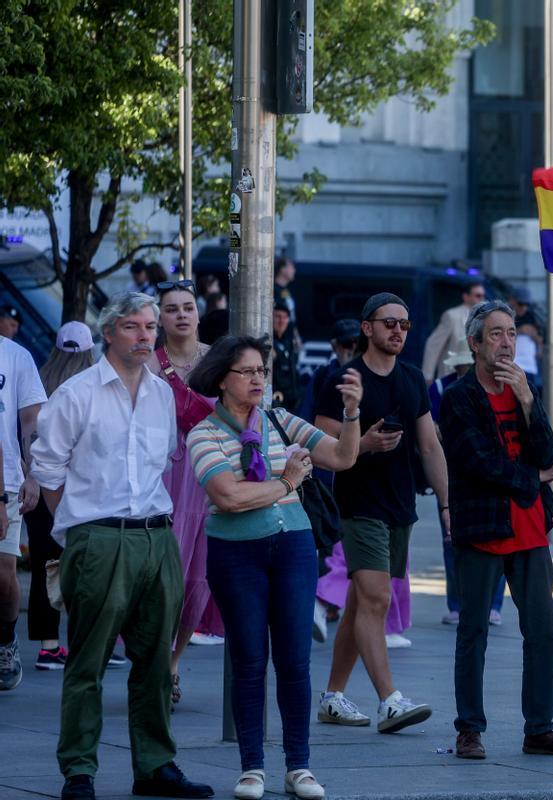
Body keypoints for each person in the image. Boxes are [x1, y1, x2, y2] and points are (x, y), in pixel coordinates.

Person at [31, 292, 212, 800]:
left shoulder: (162, 394)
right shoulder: (77, 392)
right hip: (98, 536)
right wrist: (80, 526)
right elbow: (47, 469)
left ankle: (155, 766)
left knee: (155, 662)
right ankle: (79, 771)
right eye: (132, 327)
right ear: (108, 333)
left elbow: (172, 459)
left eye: (150, 327)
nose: (145, 335)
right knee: (87, 661)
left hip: (157, 536)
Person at [187, 335, 362, 800]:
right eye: (247, 372)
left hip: (294, 549)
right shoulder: (203, 433)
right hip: (236, 554)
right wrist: (288, 481)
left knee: (295, 661)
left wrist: (350, 413)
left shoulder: (280, 421)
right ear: (223, 380)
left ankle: (299, 767)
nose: (258, 379)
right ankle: (252, 768)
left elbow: (343, 457)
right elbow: (228, 496)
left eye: (262, 371)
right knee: (248, 660)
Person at [440, 300, 553, 760]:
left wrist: (527, 400)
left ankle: (540, 729)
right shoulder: (458, 397)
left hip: (530, 529)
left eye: (512, 334)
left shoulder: (525, 388)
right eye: (497, 334)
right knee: (473, 632)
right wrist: (534, 478)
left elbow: (548, 454)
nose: (507, 342)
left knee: (542, 631)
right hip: (483, 527)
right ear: (475, 343)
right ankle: (470, 729)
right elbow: (479, 464)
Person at [314, 293, 446, 733]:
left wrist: (447, 504)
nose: (398, 331)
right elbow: (322, 439)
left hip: (399, 505)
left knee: (359, 603)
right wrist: (363, 443)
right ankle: (390, 700)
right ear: (367, 328)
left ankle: (332, 696)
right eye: (389, 323)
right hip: (359, 503)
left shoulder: (412, 379)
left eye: (405, 325)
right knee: (376, 599)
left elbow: (429, 445)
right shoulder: (343, 379)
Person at [148, 280, 217, 707]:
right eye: (171, 309)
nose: (180, 315)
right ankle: (154, 658)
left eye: (187, 307)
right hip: (163, 475)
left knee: (199, 577)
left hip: (210, 476)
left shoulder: (218, 360)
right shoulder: (150, 363)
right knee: (159, 576)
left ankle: (173, 661)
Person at [26, 323, 95, 671]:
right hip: (80, 489)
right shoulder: (93, 385)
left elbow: (28, 434)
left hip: (39, 486)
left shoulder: (38, 380)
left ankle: (48, 646)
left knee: (44, 566)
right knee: (89, 567)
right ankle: (93, 643)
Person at [433, 350, 506, 627]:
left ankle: (493, 604)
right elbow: (426, 425)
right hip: (451, 477)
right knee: (452, 542)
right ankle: (457, 603)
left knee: (496, 544)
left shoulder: (502, 387)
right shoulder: (443, 389)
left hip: (490, 478)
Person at [0, 313, 46, 689]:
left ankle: (5, 638)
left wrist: (33, 475)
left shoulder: (15, 357)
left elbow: (31, 421)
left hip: (8, 483)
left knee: (3, 575)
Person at [422, 281, 485, 384]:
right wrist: (428, 376)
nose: (482, 299)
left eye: (483, 295)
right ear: (466, 297)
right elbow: (433, 345)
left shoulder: (485, 318)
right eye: (478, 295)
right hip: (451, 375)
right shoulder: (451, 316)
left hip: (476, 377)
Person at [271, 301, 300, 411]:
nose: (282, 321)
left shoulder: (289, 342)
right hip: (275, 400)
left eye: (285, 317)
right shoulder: (268, 342)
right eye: (278, 316)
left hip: (291, 401)